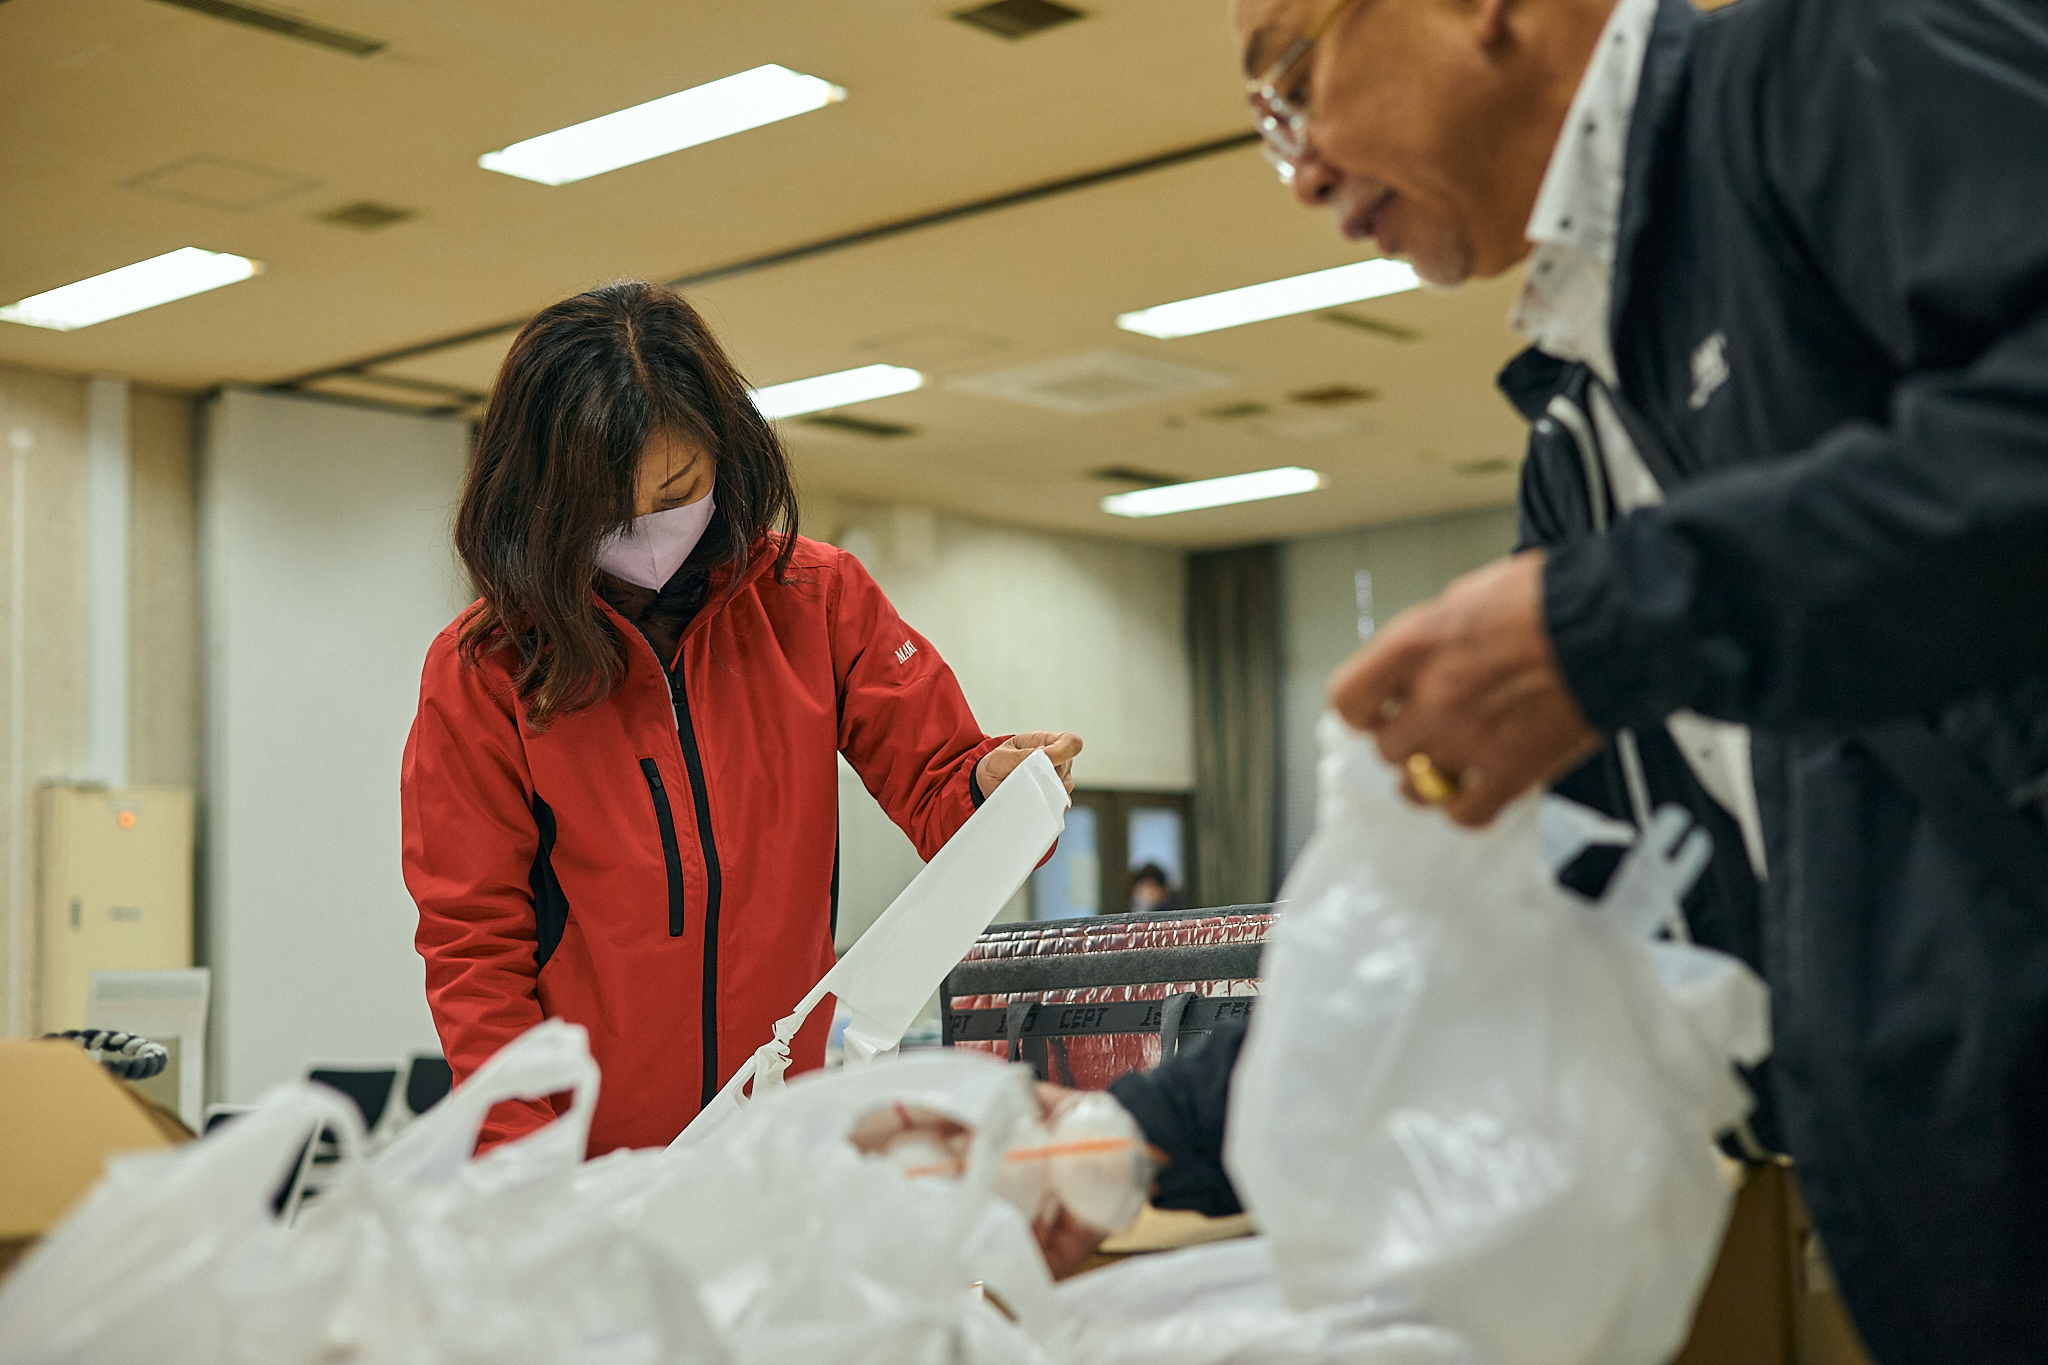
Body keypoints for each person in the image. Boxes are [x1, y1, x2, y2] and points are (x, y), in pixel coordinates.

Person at [1065, 1, 2048, 1358]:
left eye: (1294, 82)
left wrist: (1619, 619)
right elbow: (1505, 891)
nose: (1302, 171)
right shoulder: (1586, 431)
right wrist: (1139, 1128)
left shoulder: (1827, 66)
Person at [401, 281, 1082, 1156]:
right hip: (588, 1162)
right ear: (544, 501)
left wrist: (995, 788)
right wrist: (526, 1166)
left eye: (677, 487)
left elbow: (942, 786)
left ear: (726, 448)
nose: (648, 527)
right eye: (610, 510)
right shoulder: (487, 669)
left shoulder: (816, 600)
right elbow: (474, 951)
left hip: (780, 1142)